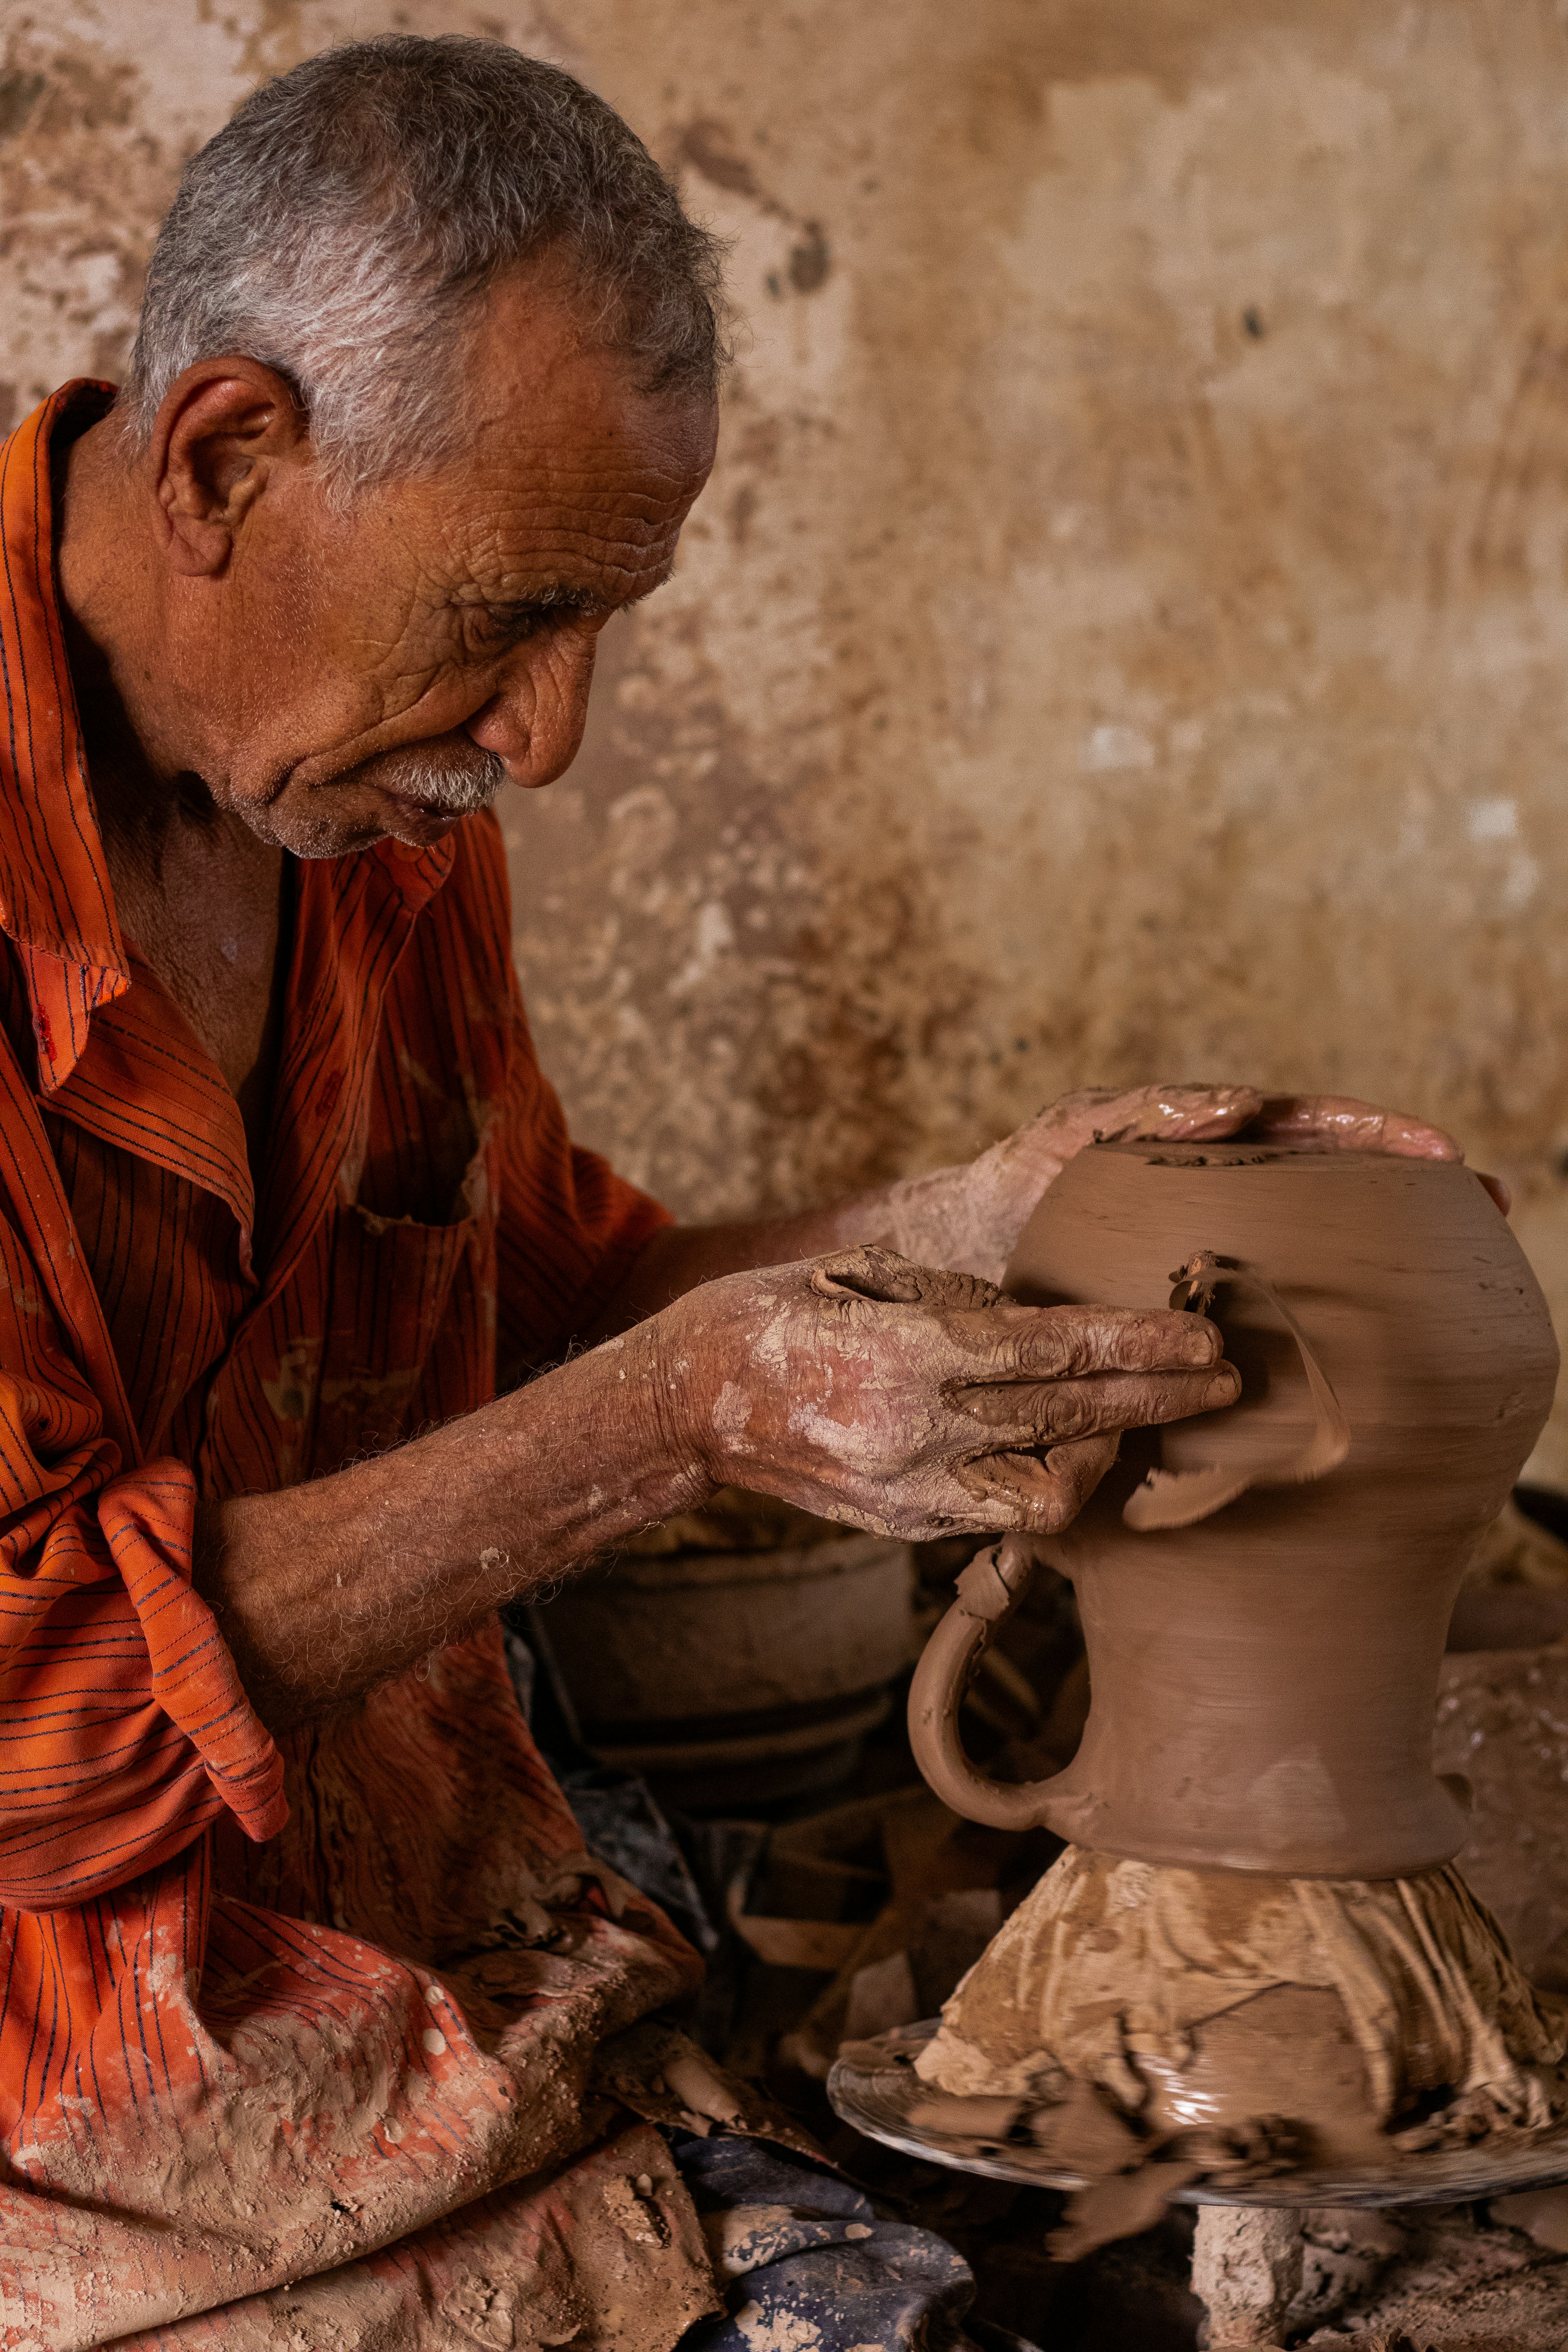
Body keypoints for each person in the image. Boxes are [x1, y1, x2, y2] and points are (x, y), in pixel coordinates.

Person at [0, 35, 1467, 2350]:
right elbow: (29, 1717)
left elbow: (541, 1305)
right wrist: (687, 1418)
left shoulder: (371, 811)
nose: (551, 734)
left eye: (610, 622)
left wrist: (957, 1222)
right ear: (227, 460)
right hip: (65, 2087)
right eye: (513, 612)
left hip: (426, 1955)